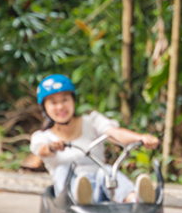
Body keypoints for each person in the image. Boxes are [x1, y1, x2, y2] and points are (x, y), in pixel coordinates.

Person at [29, 74, 159, 205]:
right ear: (45, 108)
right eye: (53, 103)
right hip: (69, 196)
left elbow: (115, 134)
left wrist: (141, 138)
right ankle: (79, 200)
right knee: (61, 170)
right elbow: (42, 150)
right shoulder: (43, 137)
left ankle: (136, 200)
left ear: (73, 101)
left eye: (65, 100)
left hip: (100, 189)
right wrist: (53, 147)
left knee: (107, 171)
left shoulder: (92, 122)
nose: (60, 107)